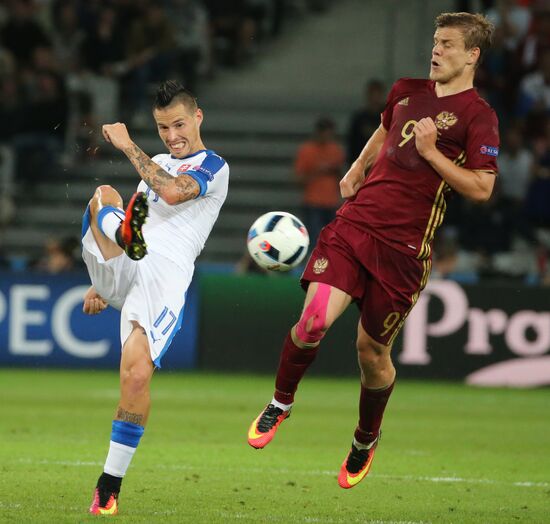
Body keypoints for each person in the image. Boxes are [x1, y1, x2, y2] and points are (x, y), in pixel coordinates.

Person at [247, 12, 499, 489]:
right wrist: (358, 166)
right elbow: (386, 129)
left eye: (447, 44)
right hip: (354, 225)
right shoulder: (406, 89)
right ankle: (281, 402)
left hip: (404, 251)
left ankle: (365, 438)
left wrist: (431, 154)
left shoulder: (479, 117)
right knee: (314, 321)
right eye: (435, 41)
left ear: (472, 55)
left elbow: (482, 189)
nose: (437, 50)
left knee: (371, 353)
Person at [81, 80, 229, 515]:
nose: (172, 135)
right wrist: (104, 277)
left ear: (197, 117)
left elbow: (171, 191)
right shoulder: (158, 161)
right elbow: (147, 204)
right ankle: (114, 239)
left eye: (179, 124)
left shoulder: (214, 166)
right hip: (129, 255)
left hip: (164, 274)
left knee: (137, 376)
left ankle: (108, 485)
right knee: (104, 196)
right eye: (163, 127)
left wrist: (128, 146)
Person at [294, 116, 345, 247]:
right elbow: (298, 179)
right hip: (313, 202)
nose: (327, 136)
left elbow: (342, 176)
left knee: (333, 240)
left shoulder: (336, 150)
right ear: (318, 132)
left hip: (332, 202)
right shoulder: (306, 150)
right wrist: (318, 171)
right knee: (314, 240)